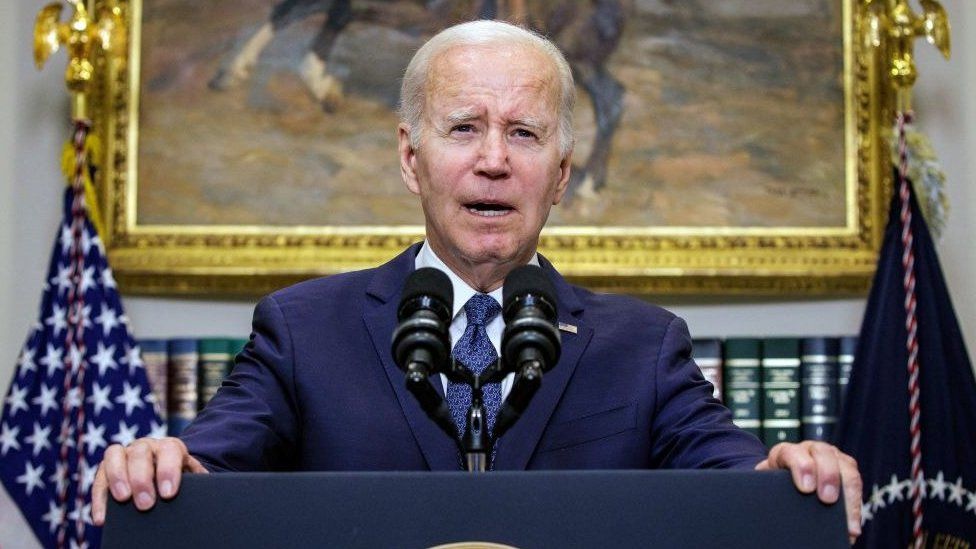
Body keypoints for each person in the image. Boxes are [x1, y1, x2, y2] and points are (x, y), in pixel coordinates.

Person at [92, 20, 862, 541]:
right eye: (463, 127)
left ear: (559, 176)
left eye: (523, 134)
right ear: (409, 157)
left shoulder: (643, 347)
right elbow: (205, 468)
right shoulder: (303, 331)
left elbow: (736, 477)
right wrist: (160, 462)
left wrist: (786, 471)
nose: (493, 159)